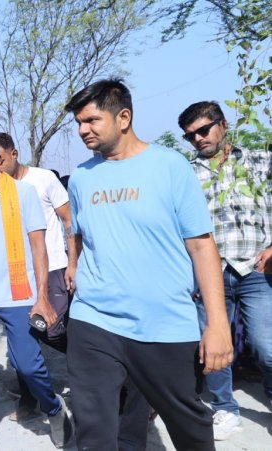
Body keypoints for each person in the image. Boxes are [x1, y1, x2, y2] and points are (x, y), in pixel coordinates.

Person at [64, 79, 233, 450]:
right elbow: (77, 233)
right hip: (94, 319)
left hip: (163, 323)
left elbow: (202, 247)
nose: (82, 130)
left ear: (123, 117)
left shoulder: (170, 167)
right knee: (93, 430)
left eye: (91, 120)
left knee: (188, 424)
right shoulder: (80, 178)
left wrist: (218, 323)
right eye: (78, 123)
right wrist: (73, 265)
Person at [0, 134, 72, 450]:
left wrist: (42, 296)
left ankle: (53, 408)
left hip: (19, 297)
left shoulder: (24, 194)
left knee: (28, 366)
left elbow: (38, 247)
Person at [178, 100, 272, 440]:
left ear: (224, 125)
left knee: (266, 346)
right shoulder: (186, 174)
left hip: (255, 269)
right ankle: (225, 408)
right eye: (190, 136)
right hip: (209, 273)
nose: (198, 139)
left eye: (203, 130)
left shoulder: (260, 162)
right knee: (214, 346)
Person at [0, 132, 75, 419]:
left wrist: (73, 262)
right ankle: (29, 401)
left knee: (51, 330)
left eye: (0, 159)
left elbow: (68, 219)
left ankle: (92, 363)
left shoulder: (44, 179)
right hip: (18, 274)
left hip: (52, 267)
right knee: (23, 336)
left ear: (14, 154)